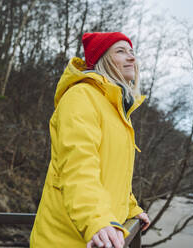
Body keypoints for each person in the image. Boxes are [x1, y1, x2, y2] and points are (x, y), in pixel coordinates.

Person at [30, 32, 150, 248]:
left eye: (132, 52)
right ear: (102, 61)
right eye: (121, 51)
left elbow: (114, 173)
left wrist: (131, 208)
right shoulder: (81, 97)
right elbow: (78, 166)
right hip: (66, 239)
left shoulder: (117, 109)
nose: (132, 57)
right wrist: (97, 219)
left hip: (99, 236)